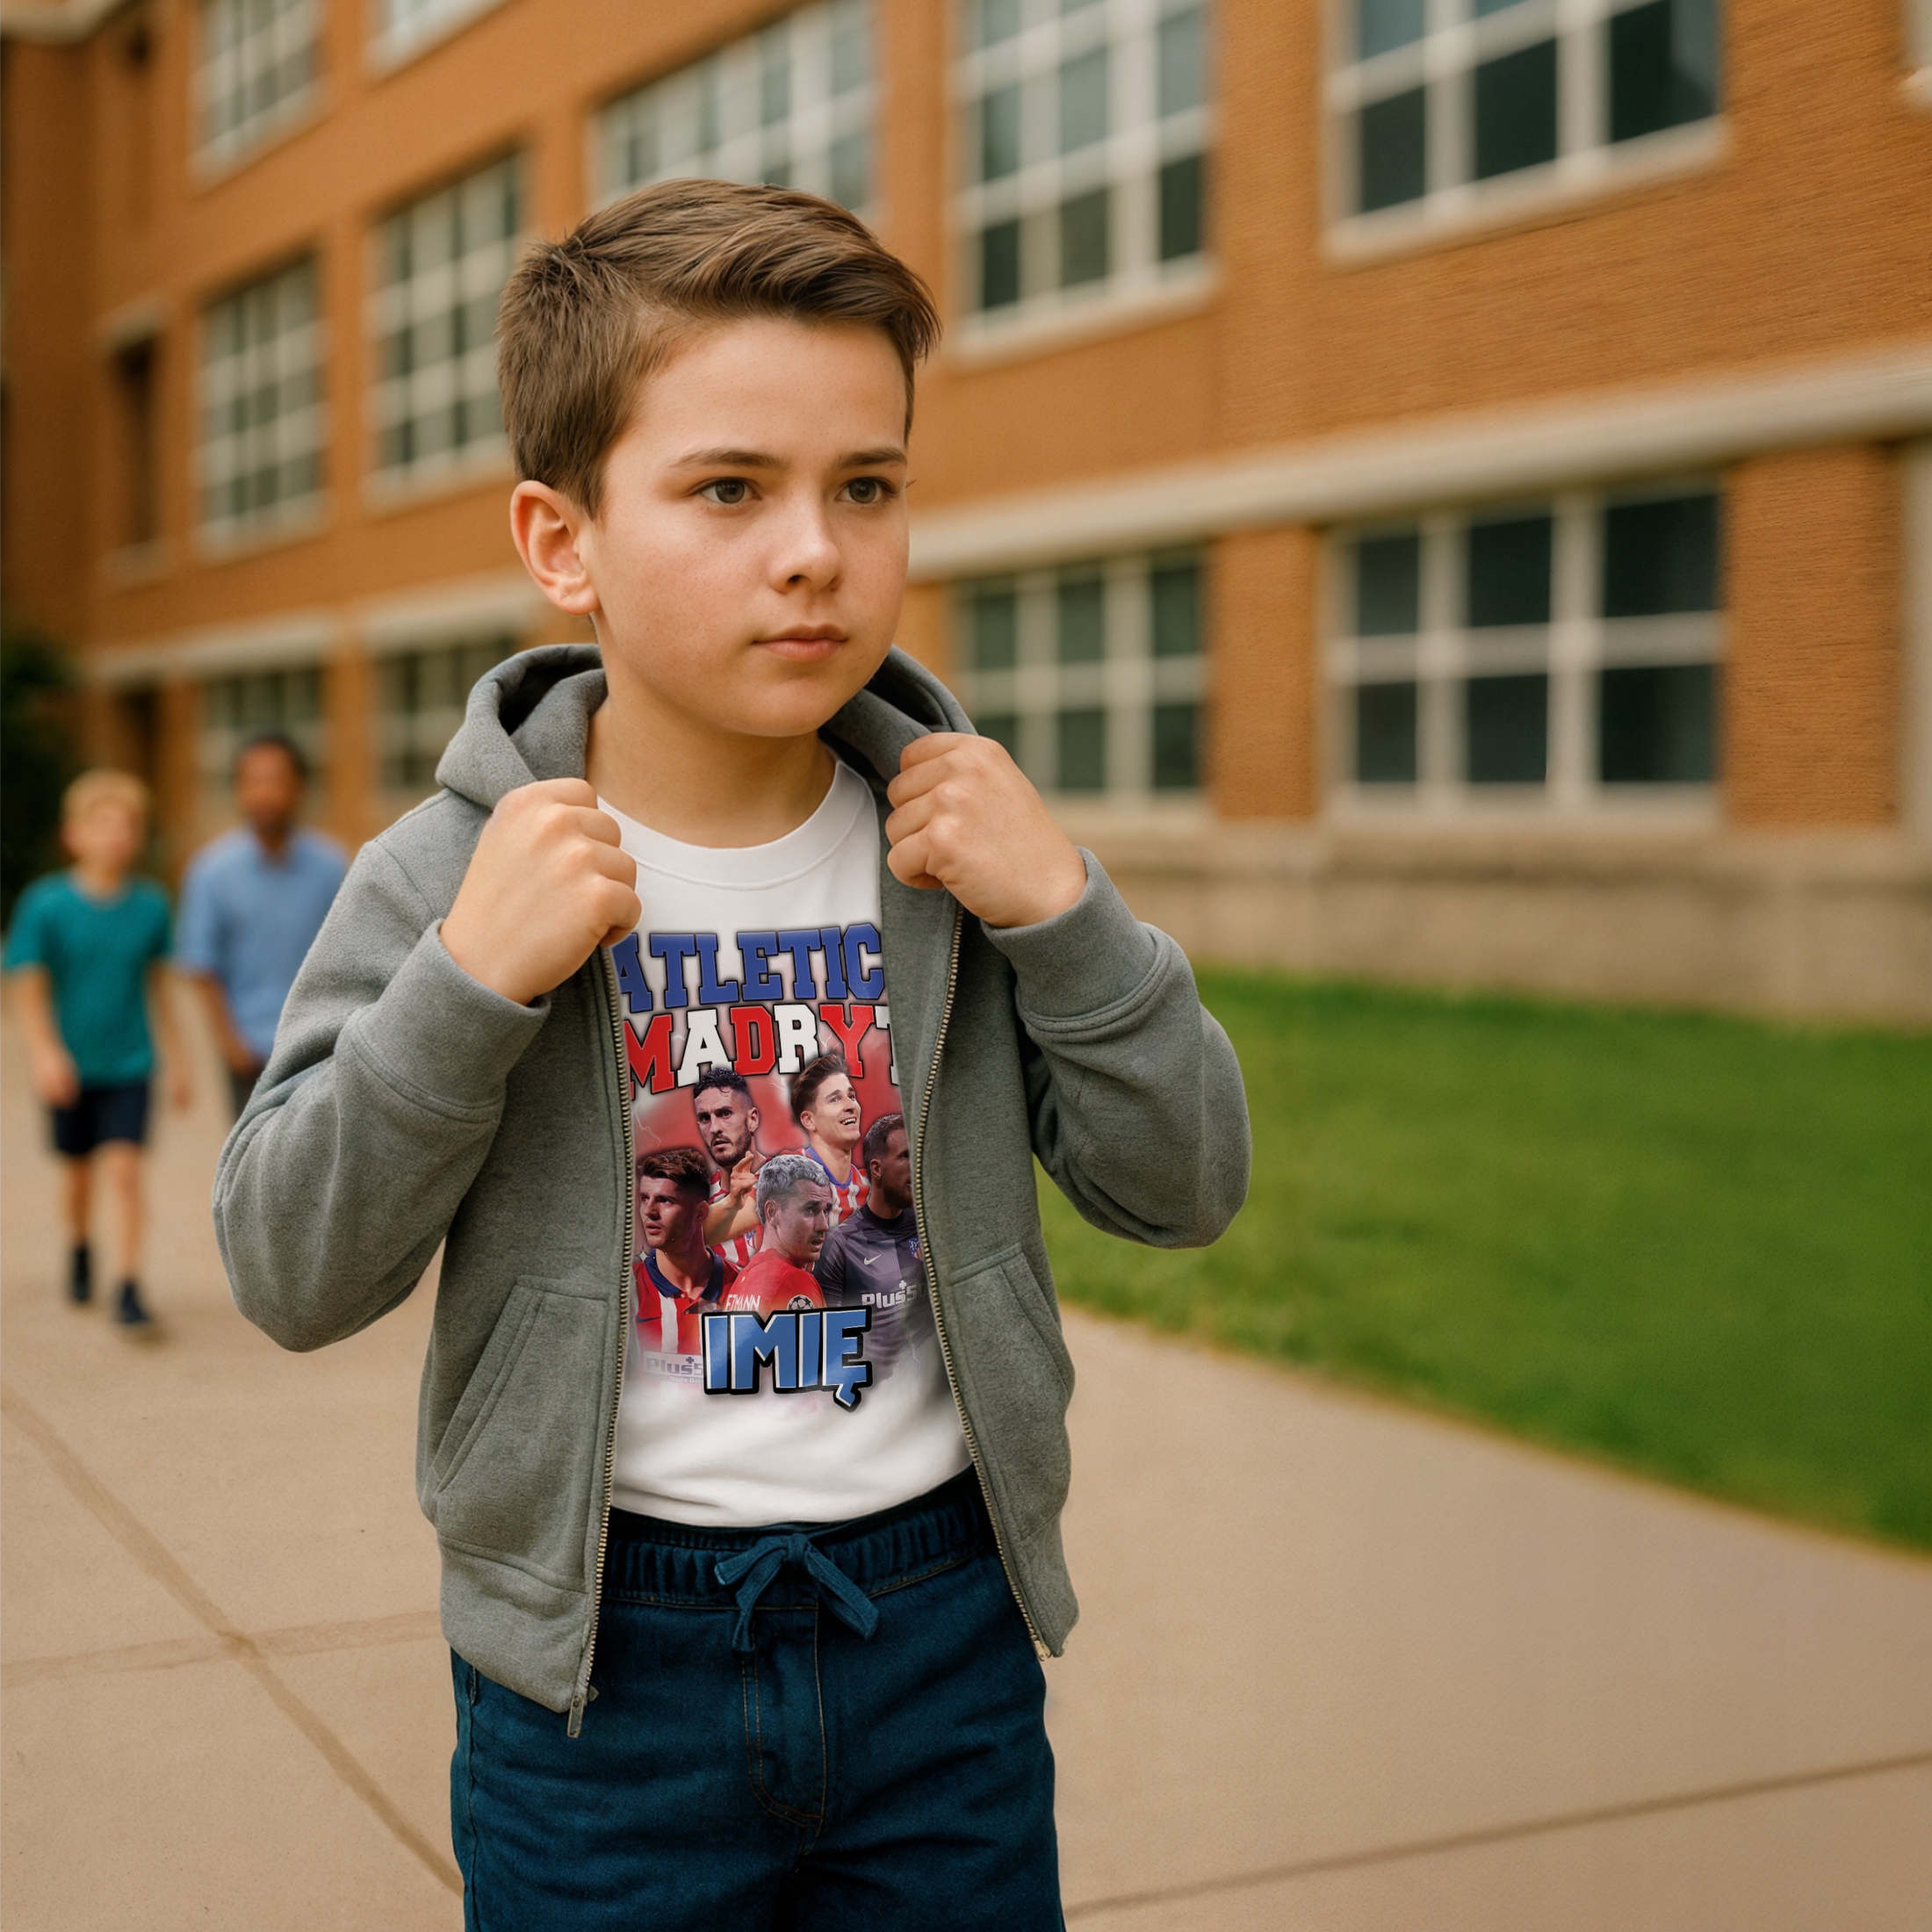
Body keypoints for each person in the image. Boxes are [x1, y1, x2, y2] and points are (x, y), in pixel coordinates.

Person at [213, 179, 1250, 1930]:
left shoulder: (964, 849)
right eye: (728, 489)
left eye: (866, 486)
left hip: (941, 1636)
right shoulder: (449, 875)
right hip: (600, 1681)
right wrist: (466, 985)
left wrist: (1068, 914)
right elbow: (286, 1265)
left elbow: (1184, 1184)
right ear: (563, 542)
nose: (813, 551)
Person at [4, 770, 188, 1327]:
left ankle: (129, 1286)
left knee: (126, 1173)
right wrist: (45, 1053)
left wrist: (177, 1061)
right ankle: (81, 1246)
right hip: (70, 1066)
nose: (117, 836)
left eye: (128, 826)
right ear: (74, 834)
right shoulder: (46, 904)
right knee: (78, 1176)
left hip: (130, 1063)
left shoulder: (152, 906)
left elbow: (159, 989)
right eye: (104, 825)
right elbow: (26, 986)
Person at [177, 732, 345, 1119]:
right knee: (252, 1156)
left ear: (300, 787)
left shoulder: (331, 867)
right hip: (247, 1051)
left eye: (276, 780)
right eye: (253, 781)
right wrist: (229, 1043)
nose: (265, 793)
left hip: (316, 1049)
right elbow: (201, 965)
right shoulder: (211, 871)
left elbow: (347, 954)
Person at [815, 1113, 931, 1373]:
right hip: (878, 1392)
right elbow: (827, 1341)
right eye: (905, 1156)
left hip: (934, 1390)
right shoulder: (841, 1245)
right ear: (877, 1169)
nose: (917, 1165)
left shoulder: (928, 1228)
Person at [632, 1146, 733, 1371]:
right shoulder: (627, 1290)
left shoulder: (742, 1287)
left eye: (665, 1200)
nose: (649, 1211)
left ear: (700, 1213)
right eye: (644, 1198)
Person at [721, 1153, 833, 1315]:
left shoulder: (742, 1281)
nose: (824, 1226)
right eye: (809, 1210)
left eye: (826, 1211)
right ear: (772, 1212)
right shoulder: (794, 1281)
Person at [694, 1067, 766, 1266]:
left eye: (725, 1113)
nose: (714, 1128)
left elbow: (686, 1234)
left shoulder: (789, 1172)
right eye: (705, 1118)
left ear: (752, 1120)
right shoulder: (697, 1196)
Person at [790, 1051, 868, 1222]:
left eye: (851, 1096)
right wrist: (733, 1203)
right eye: (835, 1099)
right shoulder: (787, 1174)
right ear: (809, 1120)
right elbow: (728, 1226)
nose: (850, 1106)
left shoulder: (871, 1188)